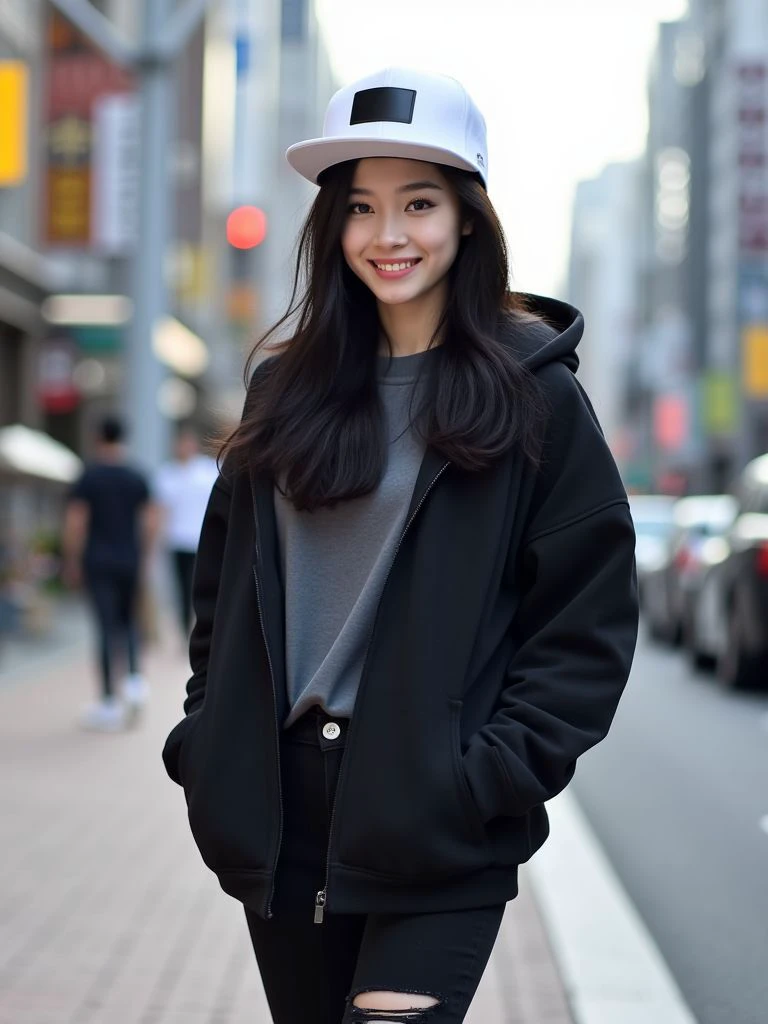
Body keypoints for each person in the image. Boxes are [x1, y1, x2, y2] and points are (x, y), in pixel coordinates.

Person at [162, 68, 639, 1024]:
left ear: (467, 219)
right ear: (332, 228)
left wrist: (490, 776)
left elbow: (584, 621)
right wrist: (206, 744)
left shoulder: (533, 393)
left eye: (418, 203)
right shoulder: (283, 393)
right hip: (283, 808)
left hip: (440, 812)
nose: (390, 236)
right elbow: (222, 596)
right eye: (362, 208)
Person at [63, 415, 158, 731]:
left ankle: (108, 700)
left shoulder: (88, 476)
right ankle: (133, 681)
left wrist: (72, 560)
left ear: (97, 437)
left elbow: (77, 521)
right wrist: (144, 555)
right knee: (128, 621)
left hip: (98, 561)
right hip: (128, 559)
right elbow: (150, 520)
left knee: (105, 628)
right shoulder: (136, 476)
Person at [154, 424, 218, 639]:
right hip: (177, 540)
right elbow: (161, 510)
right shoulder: (167, 474)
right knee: (182, 588)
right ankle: (184, 630)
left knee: (201, 585)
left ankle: (201, 628)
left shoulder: (207, 470)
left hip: (202, 540)